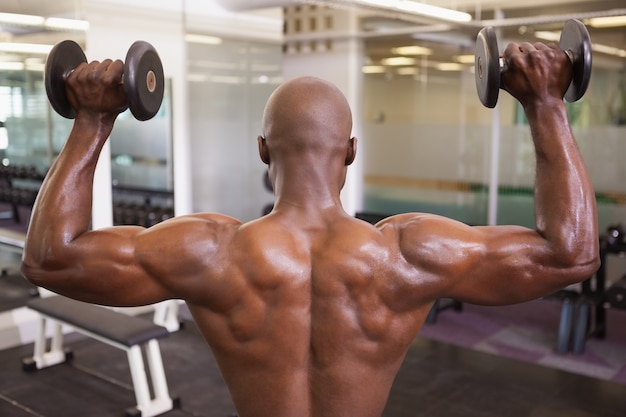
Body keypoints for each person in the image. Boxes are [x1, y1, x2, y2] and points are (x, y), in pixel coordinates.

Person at [22, 40, 599, 417]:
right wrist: (545, 104)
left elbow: (51, 260)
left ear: (261, 150)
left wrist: (93, 119)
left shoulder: (210, 252)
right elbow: (570, 256)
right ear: (350, 152)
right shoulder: (407, 253)